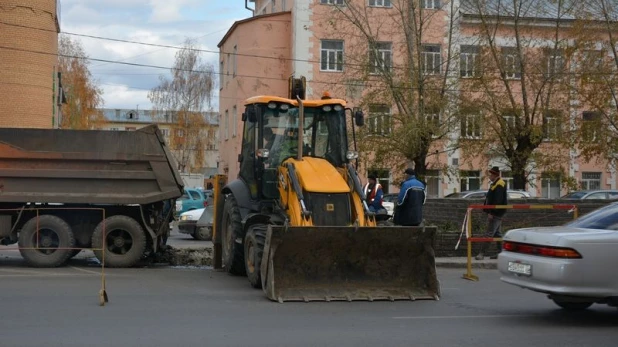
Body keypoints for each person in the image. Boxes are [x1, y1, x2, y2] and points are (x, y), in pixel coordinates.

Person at [476, 166, 508, 260]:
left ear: (495, 175)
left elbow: (497, 201)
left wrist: (491, 212)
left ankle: (482, 253)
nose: (489, 176)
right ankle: (501, 253)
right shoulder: (496, 183)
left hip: (496, 212)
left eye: (491, 174)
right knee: (497, 234)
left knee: (489, 233)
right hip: (497, 212)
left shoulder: (499, 184)